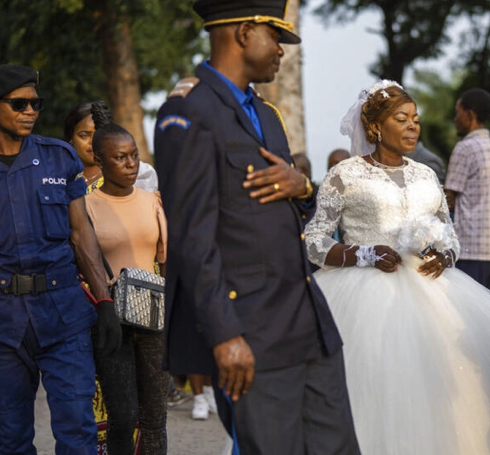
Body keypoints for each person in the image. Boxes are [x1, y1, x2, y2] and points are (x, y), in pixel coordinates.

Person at [153, 1, 359, 453]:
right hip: (252, 334)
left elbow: (288, 216)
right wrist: (225, 336)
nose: (282, 52)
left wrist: (304, 187)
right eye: (276, 38)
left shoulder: (267, 116)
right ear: (245, 32)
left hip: (309, 323)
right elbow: (192, 240)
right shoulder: (187, 114)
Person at [305, 80, 490, 454]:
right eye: (401, 119)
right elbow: (315, 240)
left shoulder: (426, 174)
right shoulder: (346, 174)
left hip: (435, 290)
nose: (412, 126)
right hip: (363, 292)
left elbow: (450, 234)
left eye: (415, 119)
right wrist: (363, 254)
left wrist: (445, 255)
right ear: (375, 127)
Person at [0, 64, 121, 455]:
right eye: (19, 103)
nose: (30, 111)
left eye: (35, 103)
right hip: (0, 323)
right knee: (14, 440)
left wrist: (104, 301)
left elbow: (80, 232)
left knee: (78, 433)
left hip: (65, 316)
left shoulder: (60, 158)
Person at [85, 103, 169, 453]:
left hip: (155, 319)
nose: (131, 164)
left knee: (155, 417)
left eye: (133, 155)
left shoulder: (152, 200)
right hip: (109, 320)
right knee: (122, 415)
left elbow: (165, 261)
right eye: (120, 158)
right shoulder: (86, 205)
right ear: (100, 161)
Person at [444, 88, 490, 309]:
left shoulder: (465, 148)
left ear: (470, 115)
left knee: (468, 312)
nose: (456, 119)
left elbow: (449, 198)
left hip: (472, 244)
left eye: (458, 112)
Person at [65, 101, 160, 194]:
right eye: (84, 135)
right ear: (71, 139)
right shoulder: (60, 177)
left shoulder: (135, 173)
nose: (93, 142)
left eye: (99, 135)